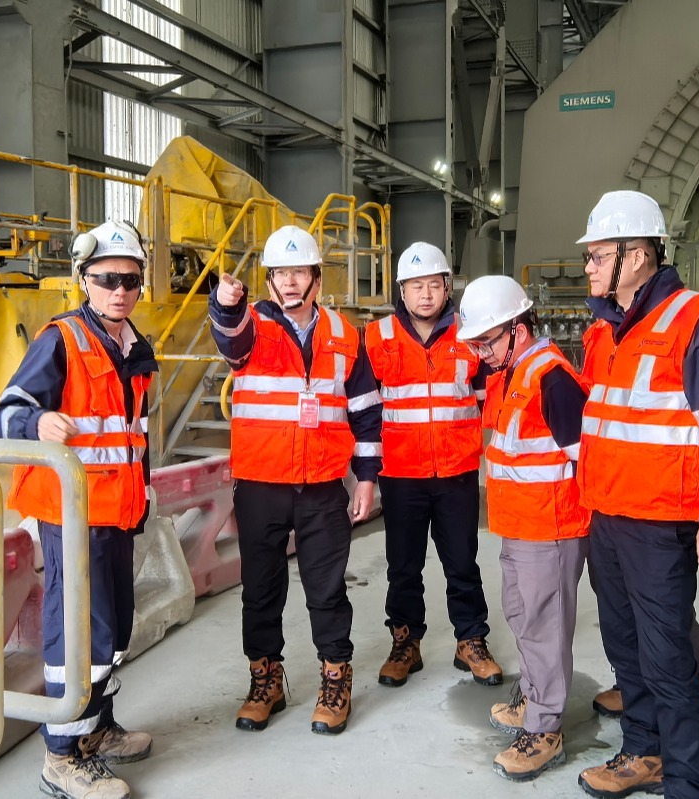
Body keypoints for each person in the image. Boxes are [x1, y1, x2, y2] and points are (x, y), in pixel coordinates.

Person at [572, 191, 699, 799]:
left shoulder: (694, 320)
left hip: (660, 523)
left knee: (667, 660)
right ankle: (643, 752)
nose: (588, 266)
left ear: (636, 256)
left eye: (598, 255)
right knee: (624, 648)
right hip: (607, 514)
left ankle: (687, 783)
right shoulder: (605, 330)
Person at [0, 219, 158, 799]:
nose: (120, 290)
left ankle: (96, 729)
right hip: (72, 515)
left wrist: (142, 498)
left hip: (118, 514)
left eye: (130, 280)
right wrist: (36, 422)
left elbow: (132, 438)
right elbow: (2, 416)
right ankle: (61, 757)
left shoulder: (134, 345)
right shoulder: (61, 340)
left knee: (114, 631)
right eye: (108, 279)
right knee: (81, 635)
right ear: (85, 280)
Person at [209, 224, 382, 736]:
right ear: (268, 281)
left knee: (327, 591)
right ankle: (266, 681)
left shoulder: (345, 334)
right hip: (260, 486)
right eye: (279, 273)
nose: (288, 281)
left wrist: (366, 479)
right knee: (261, 591)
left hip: (323, 485)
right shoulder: (252, 326)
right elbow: (230, 338)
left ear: (316, 278)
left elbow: (365, 412)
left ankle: (335, 679)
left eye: (298, 272)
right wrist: (224, 305)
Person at [455, 275, 590, 781]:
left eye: (487, 341)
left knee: (544, 628)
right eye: (476, 343)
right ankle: (534, 698)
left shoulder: (551, 378)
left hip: (550, 528)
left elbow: (585, 460)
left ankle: (545, 729)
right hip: (520, 525)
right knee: (523, 617)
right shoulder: (513, 371)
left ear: (518, 327)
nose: (482, 353)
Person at [365, 242, 502, 690]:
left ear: (447, 287)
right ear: (401, 291)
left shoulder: (471, 335)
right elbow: (363, 407)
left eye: (434, 285)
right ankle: (405, 643)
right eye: (416, 286)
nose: (425, 294)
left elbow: (488, 400)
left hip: (456, 472)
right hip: (401, 474)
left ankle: (471, 640)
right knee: (403, 567)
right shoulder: (377, 337)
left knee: (462, 562)